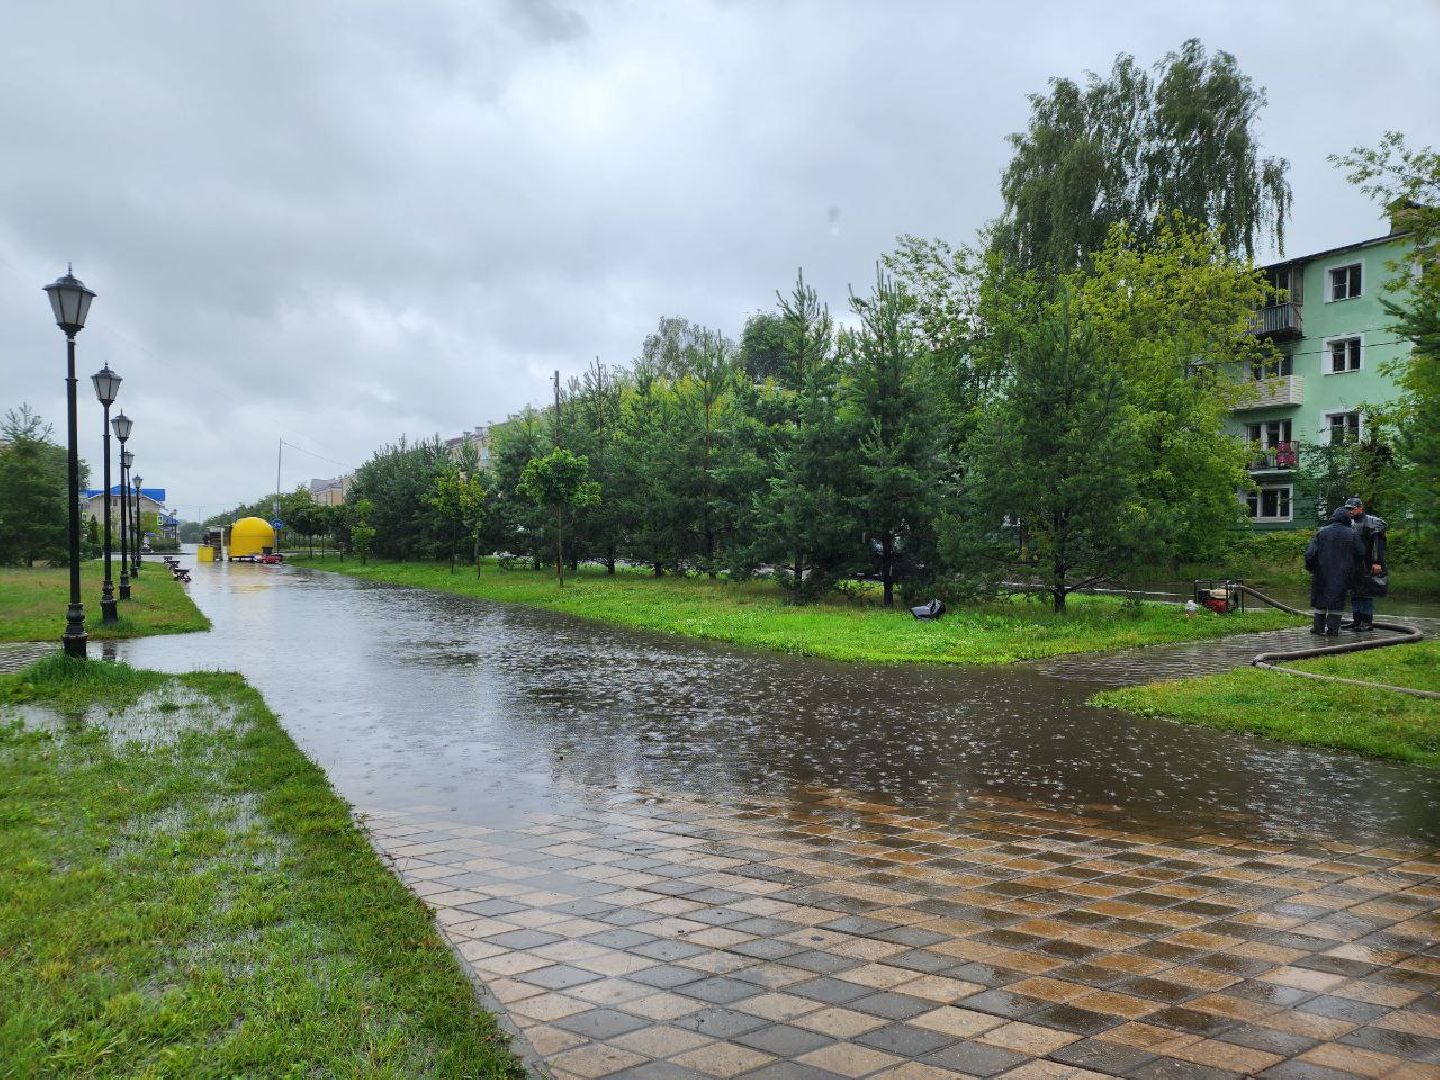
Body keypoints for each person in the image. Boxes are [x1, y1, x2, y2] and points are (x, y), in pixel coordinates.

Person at [1304, 506, 1365, 636]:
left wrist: (1311, 568)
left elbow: (1310, 554)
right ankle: (1333, 629)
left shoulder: (1322, 532)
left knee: (1320, 601)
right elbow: (1360, 553)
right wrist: (1352, 568)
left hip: (1321, 572)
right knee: (1337, 601)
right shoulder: (1352, 533)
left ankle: (1318, 628)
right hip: (1343, 574)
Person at [1344, 496, 1388, 632]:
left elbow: (1377, 544)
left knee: (1367, 593)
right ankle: (1357, 621)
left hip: (1369, 563)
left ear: (1360, 508)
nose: (1349, 511)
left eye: (1352, 509)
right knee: (1355, 592)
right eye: (1348, 509)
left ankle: (1367, 622)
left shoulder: (1373, 522)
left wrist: (1376, 562)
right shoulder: (1349, 523)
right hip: (1354, 564)